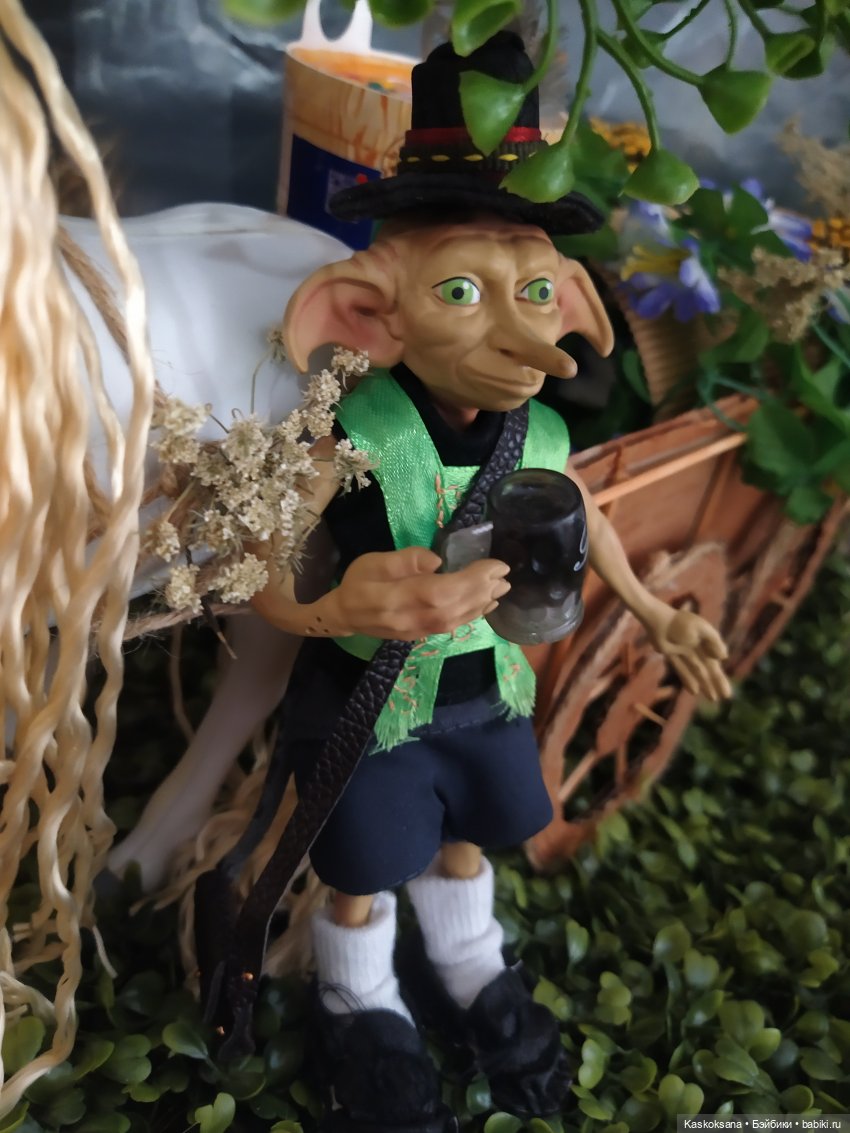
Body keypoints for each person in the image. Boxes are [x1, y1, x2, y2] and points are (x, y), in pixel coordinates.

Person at [250, 32, 731, 1133]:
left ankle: (467, 960)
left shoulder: (543, 435)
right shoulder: (352, 433)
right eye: (463, 290)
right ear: (366, 312)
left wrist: (653, 610)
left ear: (573, 302)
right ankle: (360, 996)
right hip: (374, 705)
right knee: (365, 858)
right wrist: (332, 608)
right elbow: (257, 568)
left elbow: (587, 518)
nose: (528, 337)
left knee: (475, 823)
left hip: (486, 692)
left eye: (537, 292)